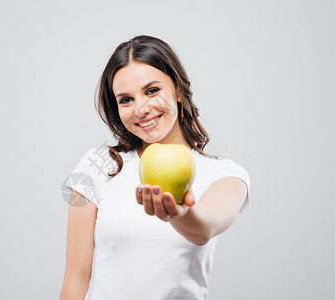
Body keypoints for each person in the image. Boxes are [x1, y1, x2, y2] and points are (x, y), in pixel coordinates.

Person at [59, 35, 250, 300]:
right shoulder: (97, 165)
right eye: (126, 100)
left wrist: (180, 213)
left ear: (179, 91)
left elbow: (205, 228)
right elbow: (76, 278)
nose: (141, 109)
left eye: (151, 91)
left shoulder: (225, 174)